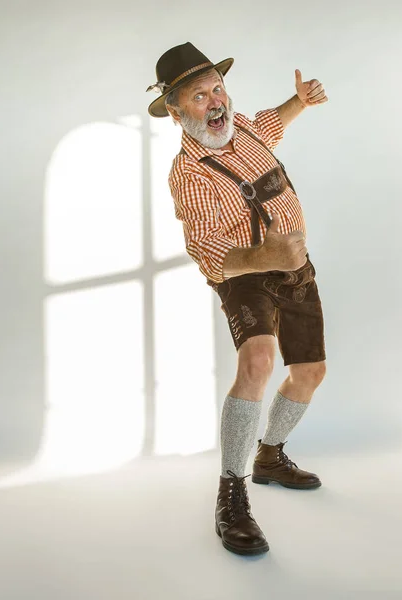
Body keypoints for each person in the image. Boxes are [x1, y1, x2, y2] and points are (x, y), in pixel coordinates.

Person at [146, 42, 328, 556]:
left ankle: (270, 456)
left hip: (294, 267)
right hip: (244, 273)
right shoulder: (190, 172)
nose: (215, 101)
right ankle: (232, 491)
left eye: (218, 88)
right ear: (178, 113)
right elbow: (207, 251)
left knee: (310, 371)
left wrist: (300, 103)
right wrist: (266, 254)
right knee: (258, 360)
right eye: (200, 97)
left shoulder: (243, 126)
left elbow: (270, 124)